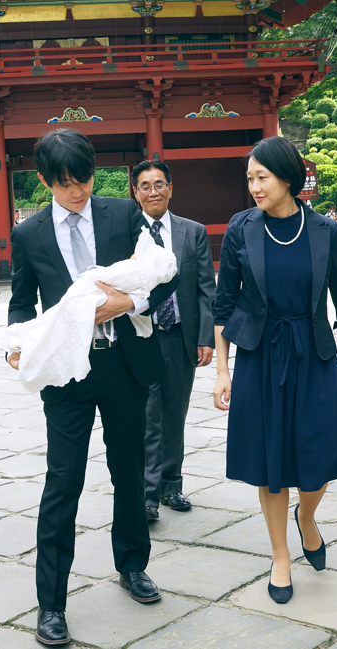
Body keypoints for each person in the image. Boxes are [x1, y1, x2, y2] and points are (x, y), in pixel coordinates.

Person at [7, 129, 178, 646]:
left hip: (122, 362)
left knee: (129, 472)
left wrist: (131, 304)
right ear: (44, 181)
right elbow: (20, 301)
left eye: (83, 179)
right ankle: (52, 604)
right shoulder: (29, 234)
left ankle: (132, 565)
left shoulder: (123, 216)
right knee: (63, 482)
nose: (77, 191)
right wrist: (14, 342)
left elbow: (164, 275)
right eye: (64, 184)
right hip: (68, 374)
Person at [213, 136, 337, 605]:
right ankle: (281, 555)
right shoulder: (242, 229)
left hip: (314, 353)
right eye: (249, 178)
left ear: (287, 179)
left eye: (261, 177)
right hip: (260, 355)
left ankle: (308, 517)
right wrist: (222, 370)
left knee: (320, 456)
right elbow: (223, 302)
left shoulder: (323, 229)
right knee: (271, 461)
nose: (253, 186)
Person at [130, 160, 216, 521]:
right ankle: (148, 495)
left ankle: (172, 485)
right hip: (142, 337)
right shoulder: (125, 233)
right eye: (145, 186)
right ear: (135, 192)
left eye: (159, 184)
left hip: (181, 337)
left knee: (175, 415)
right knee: (148, 417)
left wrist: (205, 337)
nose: (153, 191)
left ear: (170, 188)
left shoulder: (191, 232)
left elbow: (205, 290)